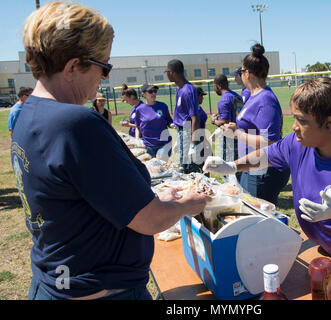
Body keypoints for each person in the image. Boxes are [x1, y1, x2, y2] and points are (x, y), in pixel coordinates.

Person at [14, 1, 210, 300]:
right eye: (103, 67)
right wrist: (188, 205)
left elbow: (82, 197)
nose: (104, 77)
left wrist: (154, 197)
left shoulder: (29, 113)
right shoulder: (75, 123)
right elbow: (151, 221)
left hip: (56, 280)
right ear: (72, 67)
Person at [203, 77, 331, 277]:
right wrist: (232, 166)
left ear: (328, 124)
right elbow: (267, 155)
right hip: (329, 252)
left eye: (302, 120)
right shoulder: (297, 143)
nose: (294, 127)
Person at [217, 44, 290, 205]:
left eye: (241, 72)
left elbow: (271, 142)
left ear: (247, 74)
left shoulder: (265, 100)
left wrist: (238, 134)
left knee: (258, 217)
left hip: (263, 170)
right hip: (252, 166)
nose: (240, 76)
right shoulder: (253, 96)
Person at [165, 59, 201, 173]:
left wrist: (193, 144)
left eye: (167, 72)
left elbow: (194, 118)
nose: (166, 75)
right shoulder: (180, 90)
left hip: (187, 131)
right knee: (183, 166)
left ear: (172, 73)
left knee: (188, 169)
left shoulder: (188, 90)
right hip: (182, 131)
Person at [135, 83, 173, 160]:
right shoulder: (139, 109)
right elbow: (137, 127)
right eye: (150, 91)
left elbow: (169, 121)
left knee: (160, 163)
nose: (153, 93)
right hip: (148, 146)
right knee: (152, 169)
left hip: (164, 143)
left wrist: (173, 125)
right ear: (143, 94)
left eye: (155, 91)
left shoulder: (163, 106)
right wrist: (137, 140)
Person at [211, 74, 240, 163]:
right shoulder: (236, 95)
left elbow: (225, 122)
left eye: (214, 86)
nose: (214, 89)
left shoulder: (224, 100)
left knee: (228, 167)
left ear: (218, 86)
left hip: (230, 138)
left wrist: (214, 120)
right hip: (241, 134)